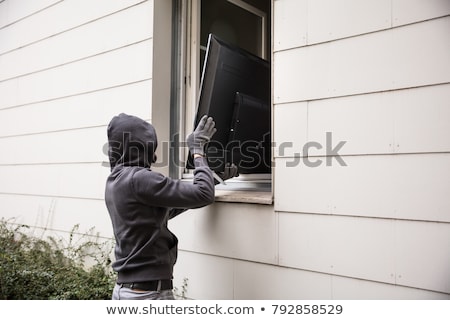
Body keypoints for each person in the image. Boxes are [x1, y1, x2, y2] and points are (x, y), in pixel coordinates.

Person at [105, 113, 237, 300]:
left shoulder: (116, 180)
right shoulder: (139, 179)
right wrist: (197, 150)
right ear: (142, 146)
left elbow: (167, 209)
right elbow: (203, 195)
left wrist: (212, 179)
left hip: (126, 292)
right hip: (147, 296)